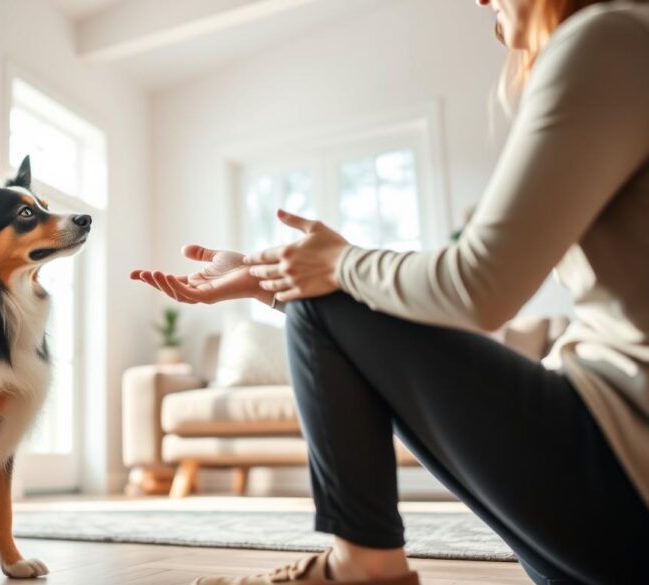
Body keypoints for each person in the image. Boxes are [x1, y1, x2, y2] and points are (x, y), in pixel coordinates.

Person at [131, 1, 649, 583]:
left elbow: (479, 287)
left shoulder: (610, 37)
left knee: (323, 303)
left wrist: (335, 271)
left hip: (624, 490)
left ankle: (362, 568)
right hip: (616, 498)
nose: (479, 0)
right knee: (322, 301)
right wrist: (281, 280)